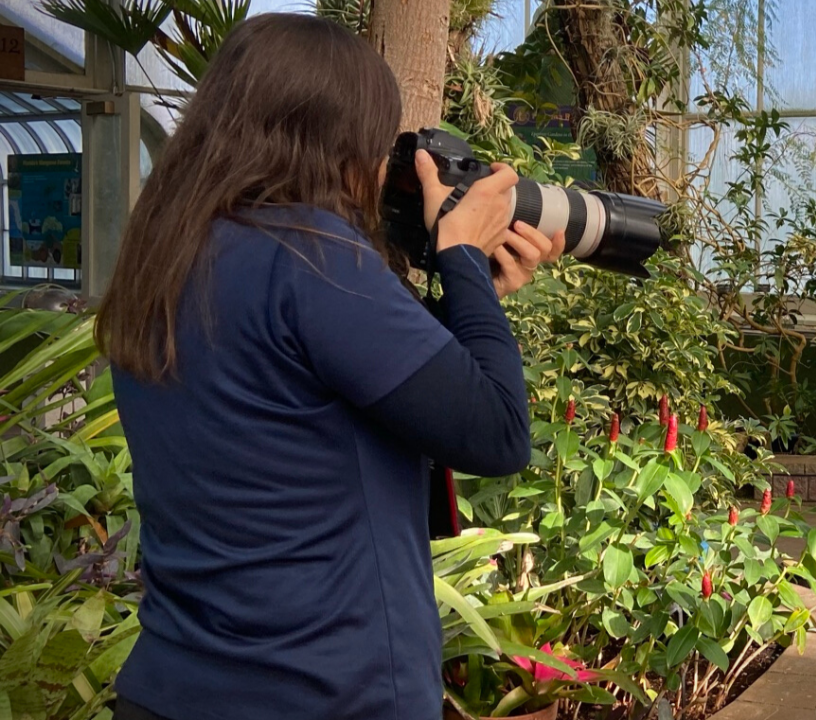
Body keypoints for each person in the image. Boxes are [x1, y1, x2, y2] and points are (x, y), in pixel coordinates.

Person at [97, 13, 563, 720]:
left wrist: (474, 297)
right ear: (338, 143)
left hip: (173, 686)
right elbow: (497, 432)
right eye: (380, 149)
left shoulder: (166, 259)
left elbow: (305, 392)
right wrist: (461, 254)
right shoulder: (311, 256)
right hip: (323, 691)